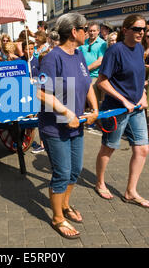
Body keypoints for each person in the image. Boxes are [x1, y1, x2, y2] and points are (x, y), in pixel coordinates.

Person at [37, 13, 99, 239]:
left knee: (75, 170)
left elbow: (87, 83)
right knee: (62, 173)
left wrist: (95, 108)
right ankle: (57, 218)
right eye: (85, 28)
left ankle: (64, 204)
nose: (88, 31)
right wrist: (66, 112)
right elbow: (42, 93)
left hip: (77, 125)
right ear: (75, 31)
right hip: (55, 127)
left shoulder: (79, 54)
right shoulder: (52, 58)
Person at [94, 14, 149, 208]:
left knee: (143, 148)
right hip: (116, 109)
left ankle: (130, 191)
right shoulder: (115, 51)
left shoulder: (140, 48)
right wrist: (123, 100)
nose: (141, 33)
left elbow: (138, 77)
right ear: (125, 30)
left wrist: (142, 94)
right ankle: (100, 182)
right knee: (109, 147)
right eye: (136, 29)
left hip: (136, 108)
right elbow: (101, 82)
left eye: (143, 29)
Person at [79, 22, 106, 106]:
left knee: (94, 103)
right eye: (90, 31)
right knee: (82, 102)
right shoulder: (83, 43)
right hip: (82, 76)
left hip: (94, 76)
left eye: (94, 31)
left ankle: (96, 118)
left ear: (98, 31)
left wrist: (86, 68)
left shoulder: (102, 44)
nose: (91, 33)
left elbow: (100, 61)